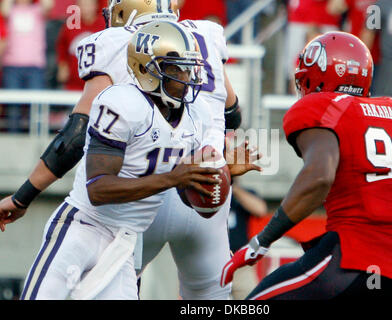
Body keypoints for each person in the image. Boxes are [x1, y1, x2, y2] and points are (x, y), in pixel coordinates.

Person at [0, 0, 251, 300]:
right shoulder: (127, 102)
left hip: (145, 216)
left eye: (187, 70)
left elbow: (75, 136)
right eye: (178, 70)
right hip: (110, 212)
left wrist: (24, 195)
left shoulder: (190, 112)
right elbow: (232, 115)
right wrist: (206, 166)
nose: (187, 80)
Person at [221, 31, 392, 300]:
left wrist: (261, 241)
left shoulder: (322, 106)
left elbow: (319, 177)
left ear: (316, 79)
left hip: (351, 261)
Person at [0, 0, 54, 132]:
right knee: (13, 110)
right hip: (12, 66)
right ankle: (14, 138)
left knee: (37, 109)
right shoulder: (9, 10)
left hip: (35, 66)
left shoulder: (37, 10)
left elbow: (48, 4)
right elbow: (4, 9)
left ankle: (38, 142)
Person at [227, 180, 268, 300]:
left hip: (240, 263)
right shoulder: (206, 194)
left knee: (250, 297)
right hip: (212, 262)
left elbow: (260, 209)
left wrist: (233, 188)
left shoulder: (242, 193)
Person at [56, 0, 104, 91]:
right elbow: (61, 47)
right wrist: (62, 66)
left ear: (96, 6)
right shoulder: (70, 25)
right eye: (82, 5)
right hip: (74, 83)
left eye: (89, 5)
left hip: (98, 83)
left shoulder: (104, 25)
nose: (86, 9)